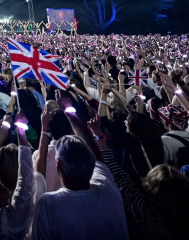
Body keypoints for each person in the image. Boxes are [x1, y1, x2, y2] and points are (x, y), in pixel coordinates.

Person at [30, 98, 127, 240]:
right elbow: (98, 155)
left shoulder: (50, 205)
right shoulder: (107, 188)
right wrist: (70, 113)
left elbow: (39, 176)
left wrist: (44, 128)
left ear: (59, 164)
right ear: (90, 163)